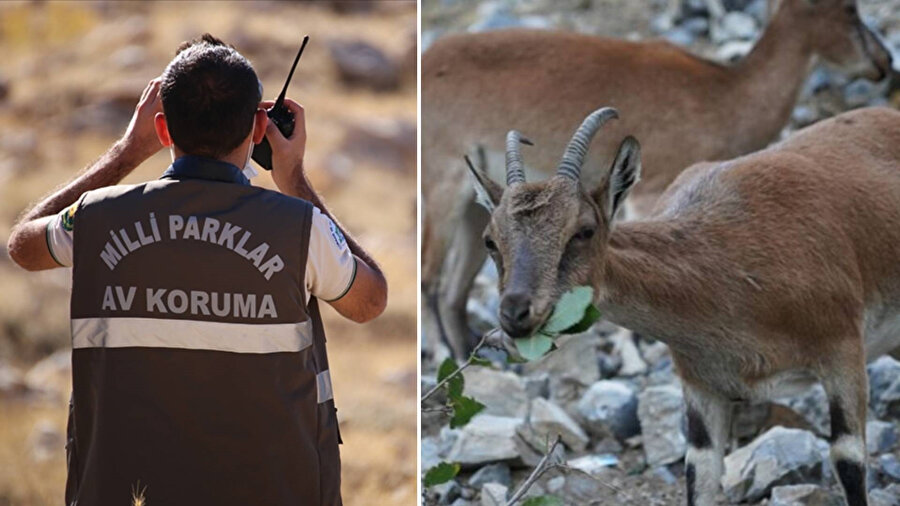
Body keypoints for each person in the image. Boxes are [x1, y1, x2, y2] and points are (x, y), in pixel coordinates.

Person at [6, 34, 387, 506]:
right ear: (258, 128)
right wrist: (294, 179)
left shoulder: (95, 218)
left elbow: (23, 246)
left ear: (163, 130)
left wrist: (126, 152)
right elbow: (370, 301)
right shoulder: (299, 228)